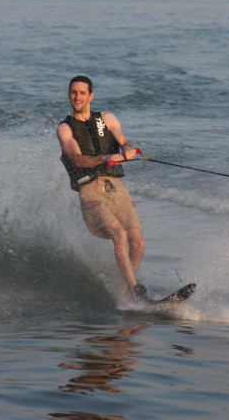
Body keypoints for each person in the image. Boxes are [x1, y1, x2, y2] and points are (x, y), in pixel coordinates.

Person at [57, 75, 148, 301]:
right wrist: (106, 157)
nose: (76, 97)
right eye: (73, 92)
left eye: (81, 93)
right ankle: (136, 291)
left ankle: (122, 295)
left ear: (91, 96)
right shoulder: (65, 128)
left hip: (115, 187)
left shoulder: (106, 118)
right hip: (90, 190)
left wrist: (127, 149)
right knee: (120, 233)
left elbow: (124, 140)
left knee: (138, 241)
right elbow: (77, 160)